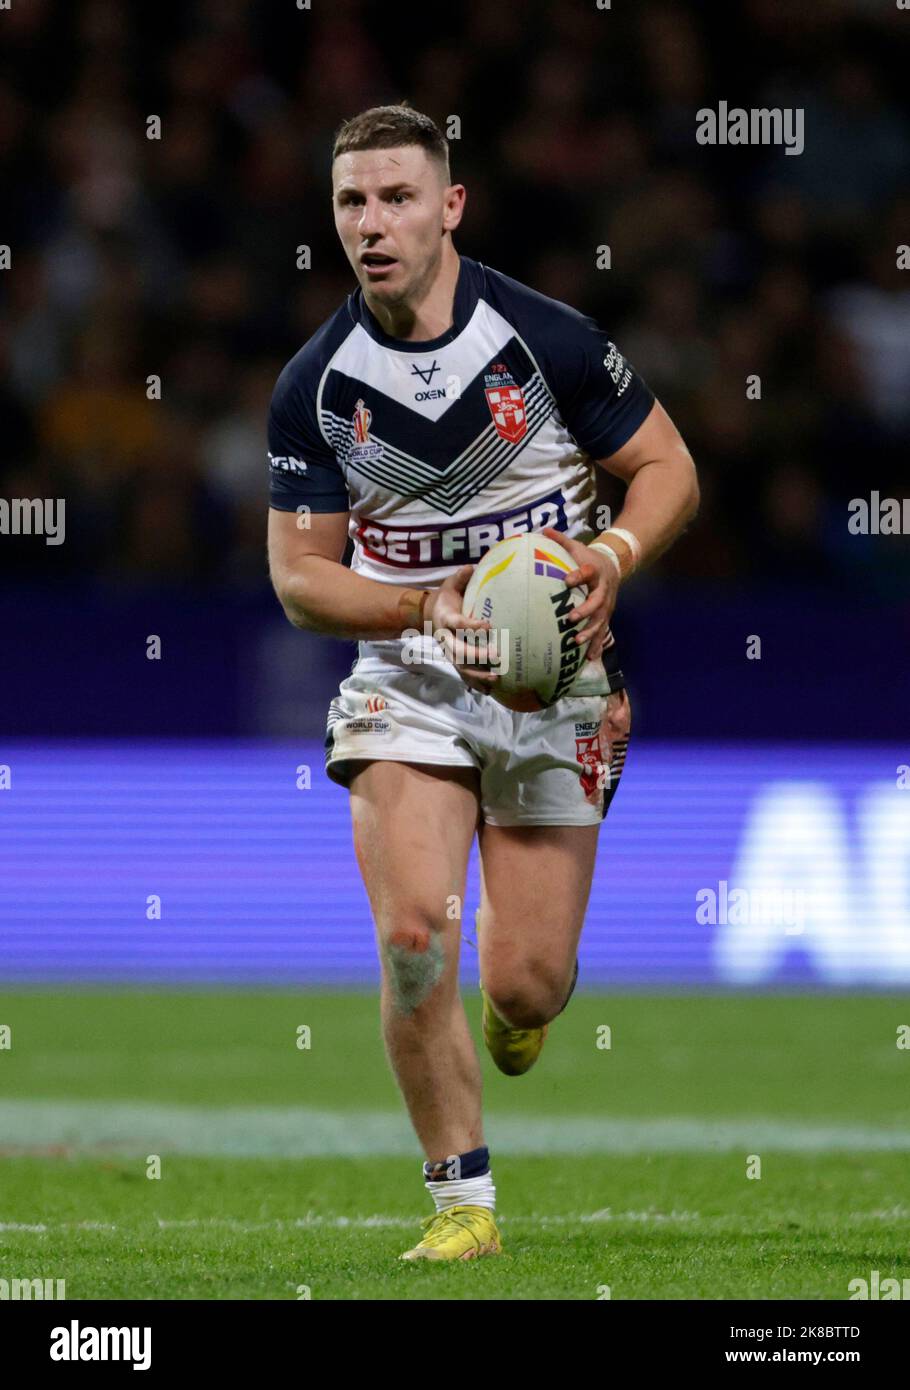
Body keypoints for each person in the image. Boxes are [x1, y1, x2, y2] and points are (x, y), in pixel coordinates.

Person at [267, 103, 698, 1261]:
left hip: (556, 680)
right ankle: (463, 1204)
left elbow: (667, 467)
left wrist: (610, 555)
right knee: (415, 937)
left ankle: (520, 1016)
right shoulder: (318, 385)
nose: (373, 222)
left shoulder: (546, 338)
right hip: (408, 677)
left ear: (449, 205)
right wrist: (420, 606)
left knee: (529, 983)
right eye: (353, 201)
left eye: (398, 196)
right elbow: (302, 580)